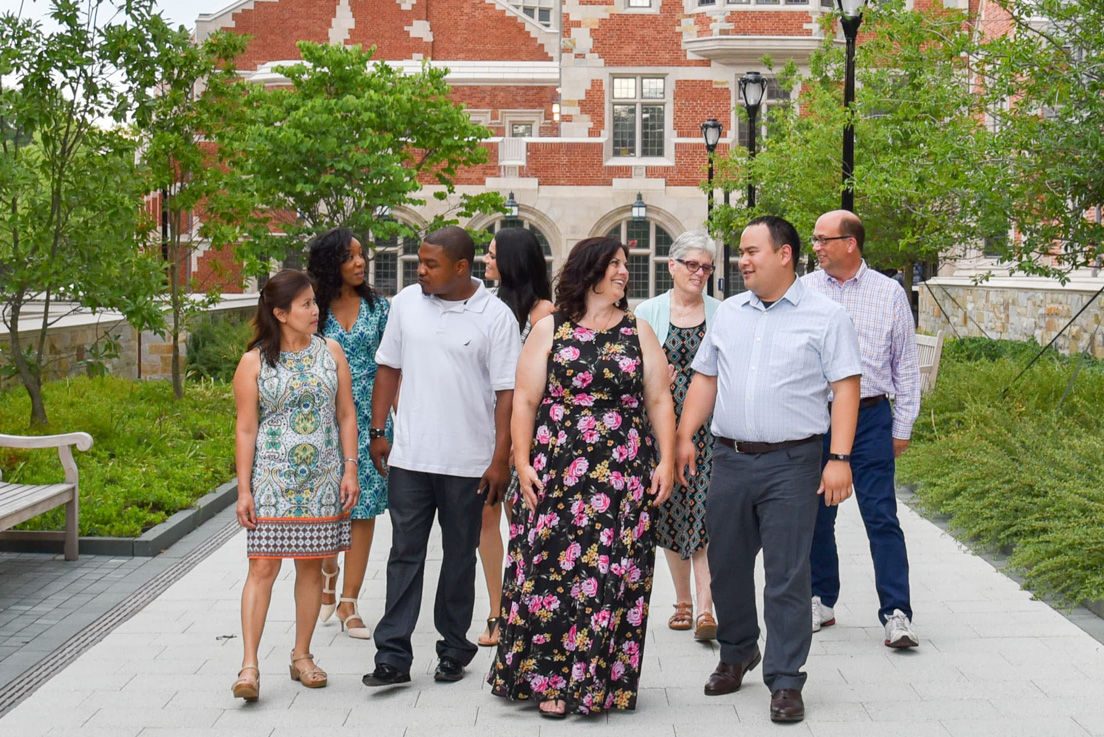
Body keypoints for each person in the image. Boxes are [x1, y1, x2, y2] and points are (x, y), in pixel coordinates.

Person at [675, 216, 862, 723]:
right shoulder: (730, 313)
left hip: (793, 462)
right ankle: (738, 652)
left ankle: (785, 680)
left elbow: (846, 389)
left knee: (786, 575)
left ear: (784, 255)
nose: (743, 260)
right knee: (728, 566)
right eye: (741, 251)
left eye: (752, 251)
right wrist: (685, 435)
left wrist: (839, 458)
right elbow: (705, 377)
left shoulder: (826, 317)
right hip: (729, 459)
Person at [488, 236, 676, 719]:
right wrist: (522, 462)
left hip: (622, 474)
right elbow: (526, 400)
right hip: (558, 471)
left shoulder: (640, 331)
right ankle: (549, 678)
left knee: (610, 572)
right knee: (552, 571)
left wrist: (666, 460)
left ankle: (596, 682)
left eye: (625, 265)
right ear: (589, 271)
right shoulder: (550, 328)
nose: (623, 273)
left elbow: (658, 399)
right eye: (614, 264)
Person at [362, 225, 521, 687]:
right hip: (410, 458)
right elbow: (388, 367)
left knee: (458, 558)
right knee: (404, 555)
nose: (421, 271)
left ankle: (454, 648)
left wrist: (500, 460)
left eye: (431, 264)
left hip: (469, 464)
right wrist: (378, 432)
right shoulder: (407, 303)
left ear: (461, 268)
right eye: (419, 262)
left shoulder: (494, 316)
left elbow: (507, 394)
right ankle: (392, 656)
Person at [230, 269, 360, 701]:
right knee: (263, 567)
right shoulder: (253, 363)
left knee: (310, 564)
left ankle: (301, 656)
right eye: (305, 304)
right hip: (271, 480)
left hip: (322, 479)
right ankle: (249, 666)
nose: (314, 310)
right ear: (280, 313)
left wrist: (350, 468)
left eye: (314, 302)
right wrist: (244, 489)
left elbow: (346, 414)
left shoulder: (331, 352)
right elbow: (246, 428)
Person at [804, 210, 921, 648]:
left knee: (881, 517)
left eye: (822, 239)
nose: (815, 246)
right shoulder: (805, 290)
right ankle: (821, 599)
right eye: (814, 239)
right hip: (818, 417)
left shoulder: (888, 293)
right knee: (817, 517)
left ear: (850, 243)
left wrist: (903, 425)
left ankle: (897, 612)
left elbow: (905, 365)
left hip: (872, 418)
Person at [635, 230, 721, 641]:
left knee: (703, 510)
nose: (700, 273)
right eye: (692, 265)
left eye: (707, 267)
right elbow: (633, 372)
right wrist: (654, 383)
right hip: (663, 429)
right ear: (672, 266)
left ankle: (706, 606)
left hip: (710, 429)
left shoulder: (721, 312)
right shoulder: (647, 313)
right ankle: (683, 601)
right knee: (670, 509)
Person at [306, 228, 391, 641]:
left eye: (362, 255)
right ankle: (328, 571)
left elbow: (393, 368)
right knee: (328, 506)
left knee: (365, 508)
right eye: (351, 256)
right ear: (330, 263)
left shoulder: (379, 308)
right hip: (324, 422)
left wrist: (393, 422)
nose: (360, 262)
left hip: (371, 421)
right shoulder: (313, 311)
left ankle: (349, 602)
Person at [476, 227, 555, 648]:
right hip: (487, 431)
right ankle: (496, 611)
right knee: (486, 518)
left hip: (529, 435)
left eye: (491, 256)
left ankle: (529, 611)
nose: (486, 262)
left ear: (511, 262)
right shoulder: (487, 306)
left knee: (525, 524)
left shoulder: (543, 314)